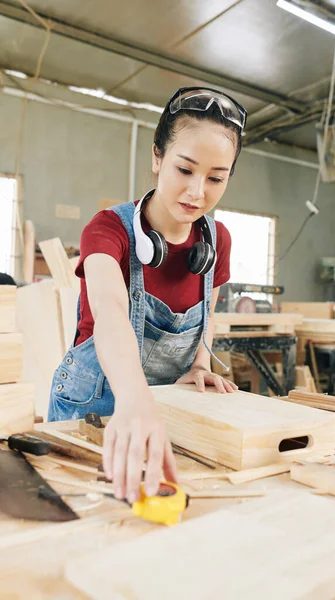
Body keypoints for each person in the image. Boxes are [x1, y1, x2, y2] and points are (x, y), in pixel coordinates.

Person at [48, 87, 247, 503]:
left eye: (215, 178)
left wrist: (198, 364)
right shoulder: (107, 230)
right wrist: (136, 400)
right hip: (94, 407)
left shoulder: (217, 239)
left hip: (166, 409)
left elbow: (208, 306)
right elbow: (110, 311)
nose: (197, 193)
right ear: (157, 158)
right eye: (185, 170)